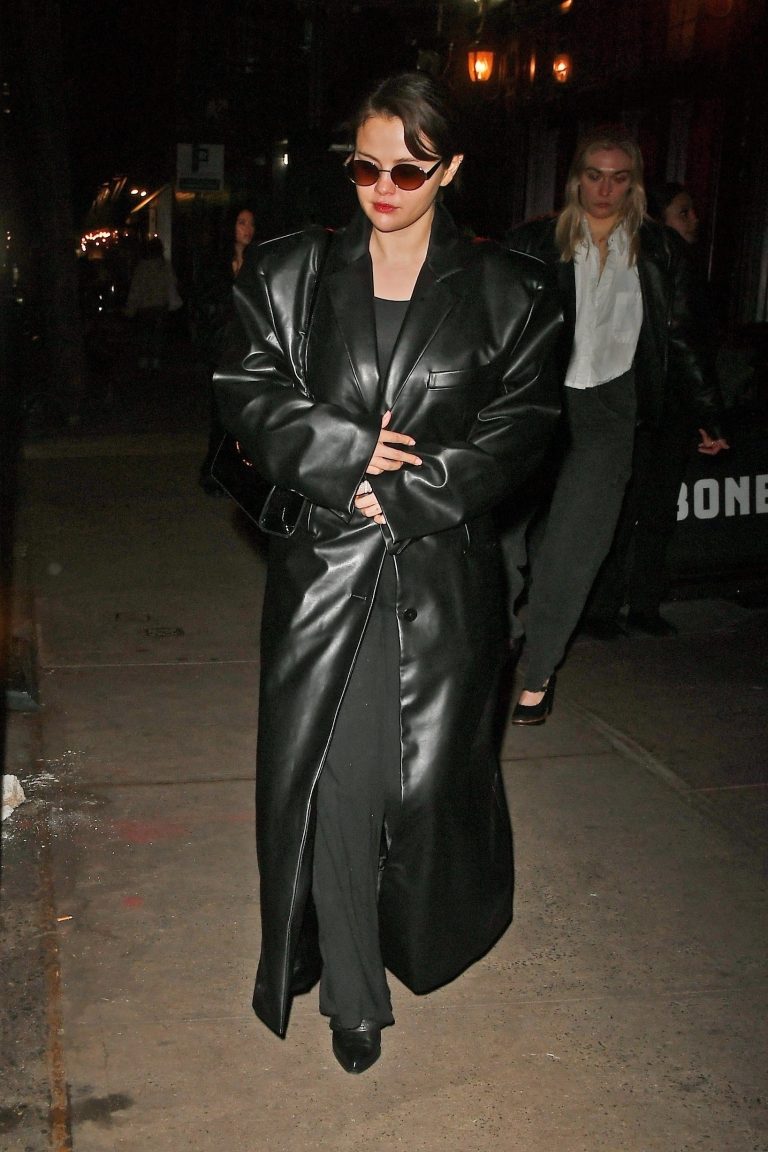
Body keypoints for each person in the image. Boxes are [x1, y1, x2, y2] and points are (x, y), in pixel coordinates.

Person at [214, 72, 563, 1073]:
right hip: (325, 569)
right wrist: (345, 453)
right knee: (334, 779)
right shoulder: (289, 273)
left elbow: (522, 427)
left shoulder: (512, 291)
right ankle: (354, 996)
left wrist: (409, 492)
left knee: (423, 792)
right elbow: (246, 388)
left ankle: (415, 936)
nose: (382, 188)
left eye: (408, 171)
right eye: (364, 167)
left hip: (439, 575)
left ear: (450, 171)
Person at [504, 129, 728, 724]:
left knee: (575, 549)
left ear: (634, 185)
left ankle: (538, 673)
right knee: (502, 539)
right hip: (539, 403)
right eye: (595, 175)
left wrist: (706, 411)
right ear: (576, 178)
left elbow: (680, 334)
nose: (605, 189)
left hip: (611, 408)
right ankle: (498, 643)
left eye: (619, 177)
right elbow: (493, 330)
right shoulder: (535, 242)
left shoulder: (658, 250)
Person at [585, 181, 728, 637]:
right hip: (641, 405)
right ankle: (610, 608)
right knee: (629, 509)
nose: (694, 220)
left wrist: (702, 413)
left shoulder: (678, 265)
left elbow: (690, 344)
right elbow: (680, 338)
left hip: (666, 407)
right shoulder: (648, 259)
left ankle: (637, 605)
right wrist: (709, 412)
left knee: (654, 510)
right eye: (683, 212)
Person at [195, 207, 256, 493]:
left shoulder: (257, 262)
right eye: (242, 222)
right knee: (221, 412)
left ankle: (237, 473)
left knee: (244, 415)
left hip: (249, 348)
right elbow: (206, 305)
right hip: (222, 348)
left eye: (251, 223)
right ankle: (214, 471)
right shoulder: (216, 265)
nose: (247, 229)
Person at [124, 236, 180, 371]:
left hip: (144, 307)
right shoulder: (164, 266)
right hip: (160, 306)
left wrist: (130, 308)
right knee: (157, 335)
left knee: (144, 334)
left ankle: (144, 360)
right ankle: (155, 360)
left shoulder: (142, 267)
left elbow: (135, 289)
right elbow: (172, 284)